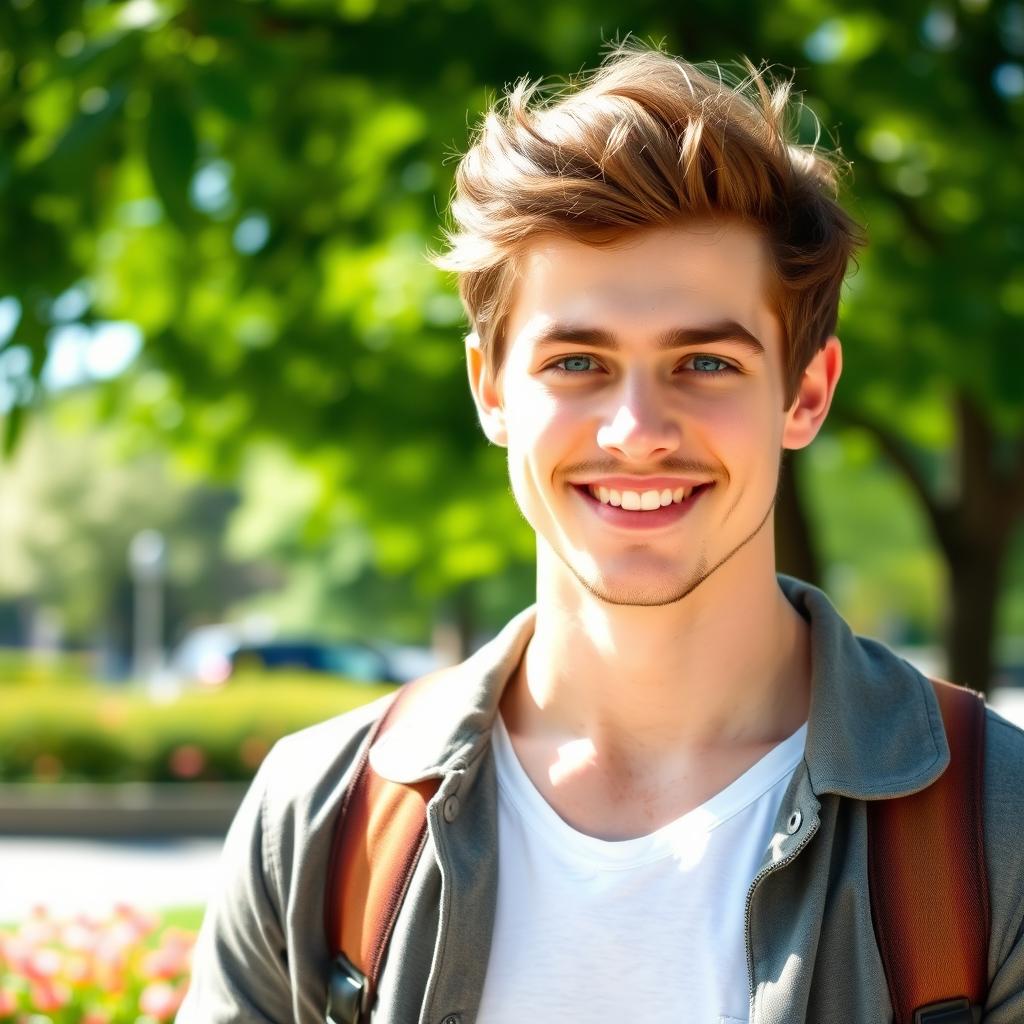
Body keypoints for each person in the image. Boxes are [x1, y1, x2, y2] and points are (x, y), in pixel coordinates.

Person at [178, 43, 1024, 1024]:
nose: (636, 432)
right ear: (489, 389)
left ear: (804, 392)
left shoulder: (994, 829)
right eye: (576, 360)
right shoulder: (317, 820)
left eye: (704, 363)